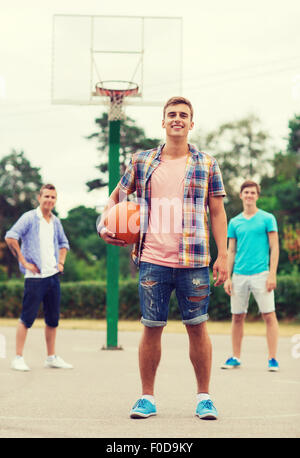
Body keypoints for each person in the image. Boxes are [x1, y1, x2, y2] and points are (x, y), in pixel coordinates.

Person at [98, 96, 228, 420]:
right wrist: (105, 224)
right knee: (151, 327)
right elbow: (116, 197)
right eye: (172, 114)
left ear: (191, 123)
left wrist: (223, 254)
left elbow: (217, 211)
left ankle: (204, 398)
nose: (177, 119)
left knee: (197, 327)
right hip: (153, 260)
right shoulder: (141, 161)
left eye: (184, 115)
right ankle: (146, 398)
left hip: (194, 260)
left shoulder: (207, 163)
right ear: (163, 121)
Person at [5, 184, 73, 371]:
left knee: (53, 319)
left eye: (53, 197)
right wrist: (24, 262)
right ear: (39, 197)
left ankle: (51, 357)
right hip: (34, 278)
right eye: (47, 197)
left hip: (53, 276)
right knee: (26, 318)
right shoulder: (29, 218)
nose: (49, 200)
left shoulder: (55, 221)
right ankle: (18, 357)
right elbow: (11, 237)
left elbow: (63, 243)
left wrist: (61, 263)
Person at [221, 180, 280, 371]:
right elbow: (231, 251)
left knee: (268, 315)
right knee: (237, 317)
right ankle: (235, 357)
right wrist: (228, 277)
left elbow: (274, 247)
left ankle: (272, 359)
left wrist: (272, 274)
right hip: (239, 275)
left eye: (253, 193)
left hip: (262, 274)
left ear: (257, 195)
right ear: (241, 195)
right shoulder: (234, 222)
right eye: (246, 192)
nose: (249, 195)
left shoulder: (267, 218)